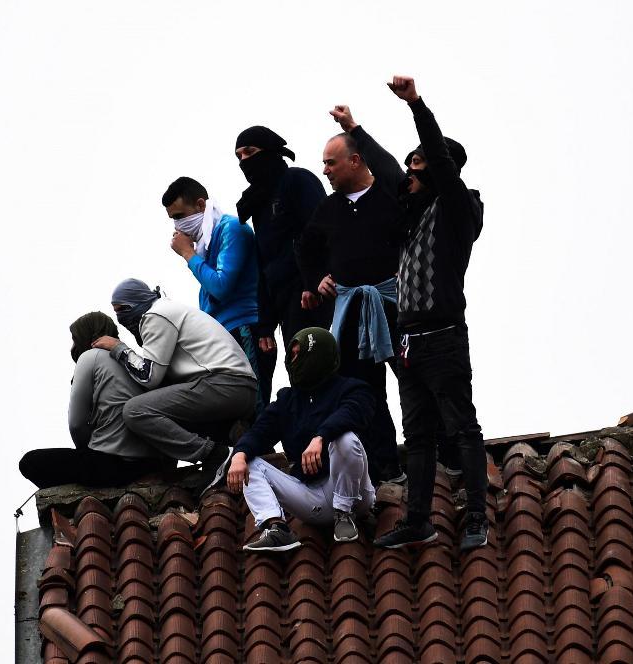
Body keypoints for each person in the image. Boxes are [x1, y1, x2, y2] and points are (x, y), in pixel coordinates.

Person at [371, 76, 489, 553]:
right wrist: (356, 131)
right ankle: (418, 520)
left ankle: (478, 517)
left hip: (444, 338)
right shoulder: (412, 218)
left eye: (417, 164)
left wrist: (416, 104)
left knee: (462, 428)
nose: (409, 172)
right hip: (409, 344)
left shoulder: (457, 208)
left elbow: (439, 158)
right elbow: (384, 171)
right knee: (417, 438)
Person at [295, 114, 406, 486]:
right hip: (351, 311)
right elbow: (305, 251)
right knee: (363, 391)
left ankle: (434, 455)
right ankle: (382, 465)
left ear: (355, 160)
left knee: (413, 382)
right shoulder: (327, 209)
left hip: (396, 305)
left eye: (331, 162)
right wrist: (316, 281)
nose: (324, 170)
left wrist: (355, 127)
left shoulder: (391, 196)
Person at [226, 327, 377, 551]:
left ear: (317, 355)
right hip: (312, 497)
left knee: (345, 438)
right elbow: (260, 431)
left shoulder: (352, 389)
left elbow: (353, 413)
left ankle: (344, 514)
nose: (293, 360)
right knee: (248, 461)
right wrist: (239, 454)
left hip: (355, 495)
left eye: (300, 354)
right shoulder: (287, 400)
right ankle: (276, 528)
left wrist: (322, 437)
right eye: (292, 355)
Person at [91, 279, 257, 481]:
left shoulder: (155, 315)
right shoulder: (167, 310)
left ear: (138, 302)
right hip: (238, 387)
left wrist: (119, 348)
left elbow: (149, 376)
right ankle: (228, 432)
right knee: (161, 402)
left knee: (136, 411)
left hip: (224, 384)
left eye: (123, 309)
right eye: (116, 312)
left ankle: (214, 455)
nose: (120, 318)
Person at [19, 312, 174, 489]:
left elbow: (76, 424)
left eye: (74, 339)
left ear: (86, 335)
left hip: (115, 464)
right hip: (152, 462)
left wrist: (86, 451)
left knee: (30, 463)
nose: (72, 347)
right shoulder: (132, 360)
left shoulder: (90, 357)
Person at [234, 126, 331, 396]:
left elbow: (320, 234)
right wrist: (265, 323)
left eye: (250, 152)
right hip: (281, 300)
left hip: (309, 295)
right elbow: (265, 265)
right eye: (239, 156)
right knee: (298, 373)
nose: (244, 161)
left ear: (271, 152)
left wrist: (311, 284)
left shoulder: (297, 180)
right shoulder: (257, 202)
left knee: (314, 370)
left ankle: (329, 435)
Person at [161, 176, 266, 416]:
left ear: (200, 205)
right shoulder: (205, 241)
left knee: (254, 404)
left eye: (180, 216)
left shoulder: (231, 229)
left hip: (244, 327)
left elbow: (220, 286)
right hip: (222, 333)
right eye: (172, 220)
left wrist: (188, 254)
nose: (177, 227)